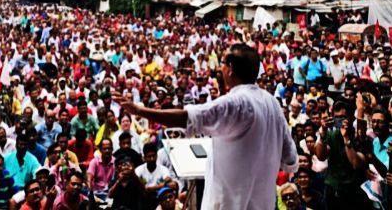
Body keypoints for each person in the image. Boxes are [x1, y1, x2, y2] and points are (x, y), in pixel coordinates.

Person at [113, 43, 298, 209]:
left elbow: (187, 117)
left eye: (223, 63)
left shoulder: (236, 103)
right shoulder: (273, 104)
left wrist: (139, 111)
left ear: (230, 69)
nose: (221, 68)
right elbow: (290, 160)